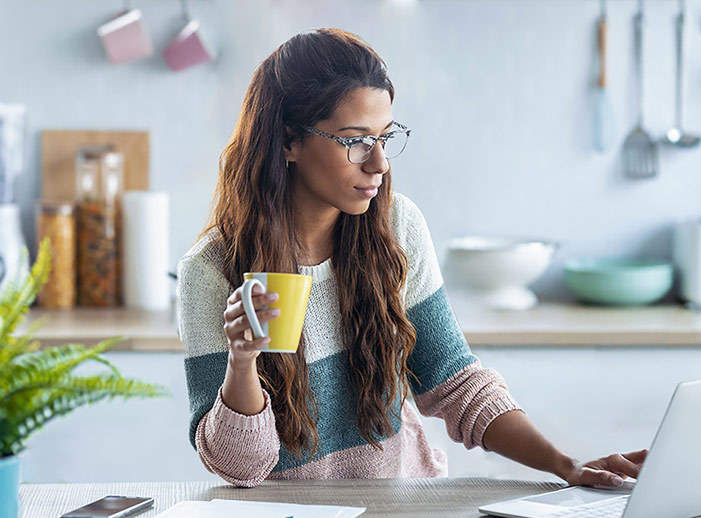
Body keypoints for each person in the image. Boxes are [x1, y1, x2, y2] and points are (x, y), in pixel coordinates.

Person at [177, 28, 647, 488]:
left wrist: (565, 465)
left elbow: (455, 383)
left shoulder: (396, 227)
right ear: (288, 142)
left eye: (385, 137)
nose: (379, 163)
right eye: (355, 141)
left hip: (400, 509)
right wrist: (243, 363)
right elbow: (240, 469)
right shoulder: (211, 271)